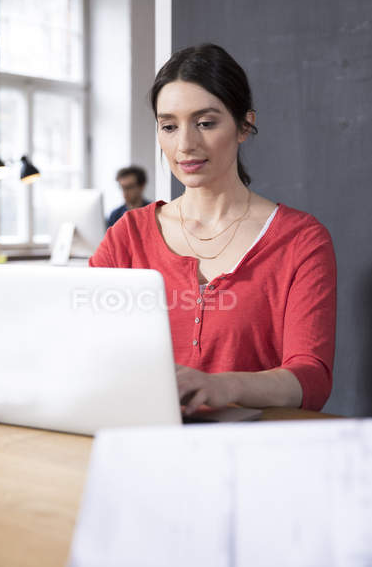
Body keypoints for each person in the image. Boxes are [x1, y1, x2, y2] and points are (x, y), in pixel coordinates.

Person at [90, 43, 337, 414]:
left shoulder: (302, 240)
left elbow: (311, 380)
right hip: (141, 440)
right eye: (169, 126)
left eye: (205, 123)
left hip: (252, 454)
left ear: (244, 125)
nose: (185, 144)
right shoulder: (128, 235)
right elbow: (85, 345)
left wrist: (224, 385)